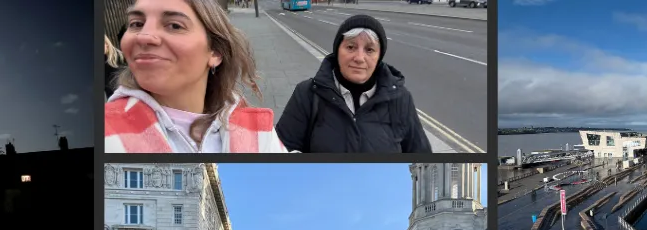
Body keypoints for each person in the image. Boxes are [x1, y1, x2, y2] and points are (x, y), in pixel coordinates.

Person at [106, 0, 284, 153]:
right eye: (136, 23)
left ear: (215, 52)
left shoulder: (259, 131)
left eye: (174, 25)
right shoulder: (107, 127)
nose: (143, 37)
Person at [274, 14, 431, 153]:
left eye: (369, 50)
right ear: (337, 51)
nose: (359, 58)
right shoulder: (308, 94)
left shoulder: (401, 99)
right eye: (351, 47)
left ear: (379, 57)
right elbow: (279, 153)